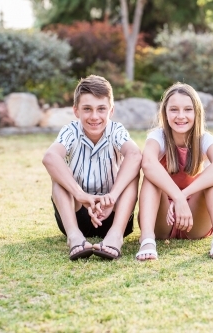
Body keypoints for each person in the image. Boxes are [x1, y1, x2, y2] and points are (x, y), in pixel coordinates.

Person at [42, 75, 141, 261]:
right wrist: (81, 195)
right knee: (59, 174)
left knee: (132, 172)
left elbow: (135, 154)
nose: (94, 116)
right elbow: (50, 157)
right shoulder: (71, 130)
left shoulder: (116, 130)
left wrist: (112, 197)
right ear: (76, 111)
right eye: (87, 109)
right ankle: (75, 238)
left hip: (113, 213)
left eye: (101, 109)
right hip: (77, 213)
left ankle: (115, 236)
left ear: (111, 111)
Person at [135, 82, 213, 261]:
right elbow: (147, 163)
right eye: (174, 110)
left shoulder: (205, 139)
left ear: (197, 113)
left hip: (193, 218)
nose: (181, 116)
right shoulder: (157, 137)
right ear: (165, 112)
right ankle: (147, 239)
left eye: (188, 109)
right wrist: (176, 197)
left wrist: (183, 196)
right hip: (162, 219)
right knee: (152, 176)